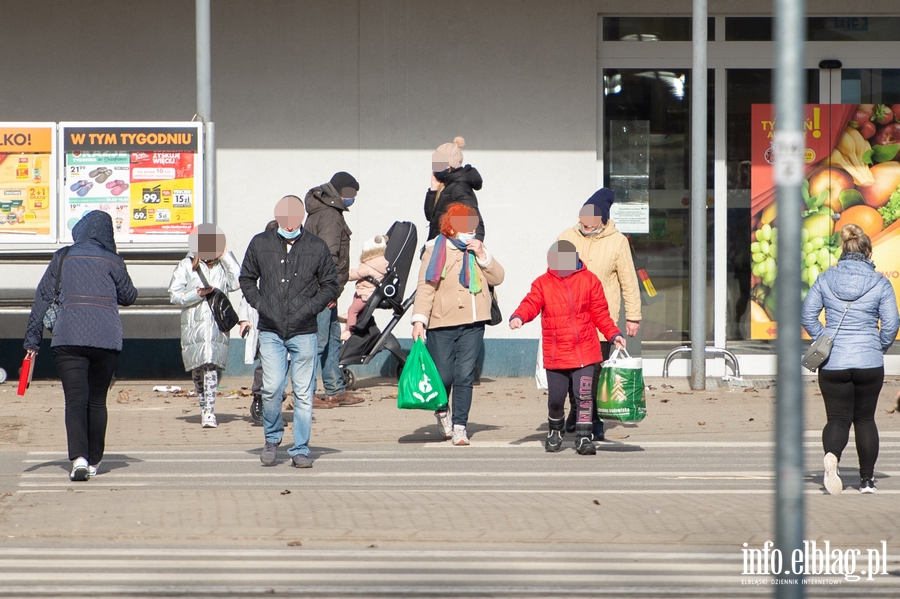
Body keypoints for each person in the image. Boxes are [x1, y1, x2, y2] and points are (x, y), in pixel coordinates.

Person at [23, 210, 137, 481]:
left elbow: (42, 299)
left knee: (75, 400)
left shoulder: (62, 257)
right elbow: (129, 296)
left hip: (68, 339)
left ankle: (79, 460)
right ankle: (96, 460)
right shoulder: (113, 260)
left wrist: (32, 342)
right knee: (97, 401)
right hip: (105, 339)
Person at [239, 195, 338, 468]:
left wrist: (309, 309)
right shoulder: (261, 243)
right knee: (271, 389)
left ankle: (301, 449)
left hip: (304, 331)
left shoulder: (316, 247)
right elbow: (246, 278)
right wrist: (260, 304)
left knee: (304, 394)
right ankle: (272, 439)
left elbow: (331, 284)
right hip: (270, 330)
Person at [801, 223, 898, 495]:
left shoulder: (825, 278)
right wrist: (876, 345)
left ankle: (832, 456)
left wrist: (825, 340)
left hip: (833, 362)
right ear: (868, 253)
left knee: (838, 418)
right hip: (868, 361)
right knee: (865, 419)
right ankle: (867, 481)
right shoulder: (880, 282)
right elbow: (891, 323)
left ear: (843, 250)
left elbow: (807, 315)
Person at [509, 240, 626, 454]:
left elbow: (600, 313)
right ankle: (555, 430)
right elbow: (531, 303)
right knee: (556, 399)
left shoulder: (590, 280)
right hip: (557, 353)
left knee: (584, 396)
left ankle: (584, 437)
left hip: (585, 351)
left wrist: (613, 334)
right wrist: (519, 317)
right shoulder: (542, 283)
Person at [411, 203, 504, 446]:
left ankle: (460, 426)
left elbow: (498, 278)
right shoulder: (435, 249)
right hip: (442, 322)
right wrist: (419, 321)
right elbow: (425, 287)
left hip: (474, 322)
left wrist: (483, 256)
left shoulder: (477, 250)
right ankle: (442, 412)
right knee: (443, 375)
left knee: (464, 375)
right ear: (451, 226)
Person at [557, 188, 641, 440]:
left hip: (601, 321)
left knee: (594, 374)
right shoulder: (567, 237)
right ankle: (576, 411)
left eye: (592, 217)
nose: (586, 222)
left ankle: (594, 420)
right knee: (573, 371)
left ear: (602, 218)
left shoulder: (618, 242)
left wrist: (633, 316)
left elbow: (629, 280)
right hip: (570, 319)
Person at [168, 224, 241, 429]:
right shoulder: (186, 265)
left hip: (217, 325)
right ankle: (203, 404)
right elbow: (174, 295)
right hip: (194, 326)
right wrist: (197, 294)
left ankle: (209, 411)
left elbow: (236, 282)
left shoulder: (222, 266)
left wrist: (226, 255)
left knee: (211, 365)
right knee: (198, 369)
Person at [303, 172, 364, 406]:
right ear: (341, 192)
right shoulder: (330, 216)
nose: (353, 199)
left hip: (323, 289)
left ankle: (335, 389)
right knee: (317, 343)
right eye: (352, 194)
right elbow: (328, 255)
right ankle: (305, 395)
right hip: (321, 290)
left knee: (331, 340)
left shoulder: (324, 211)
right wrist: (330, 291)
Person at [424, 136, 485, 242]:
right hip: (439, 248)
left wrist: (477, 244)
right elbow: (431, 217)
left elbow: (475, 220)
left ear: (448, 165)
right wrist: (433, 189)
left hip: (449, 251)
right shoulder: (447, 185)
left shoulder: (458, 187)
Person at [342, 233, 389, 340]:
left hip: (365, 294)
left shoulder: (368, 265)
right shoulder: (381, 263)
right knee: (355, 300)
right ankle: (350, 316)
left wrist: (343, 275)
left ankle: (348, 330)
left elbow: (356, 274)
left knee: (352, 310)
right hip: (370, 292)